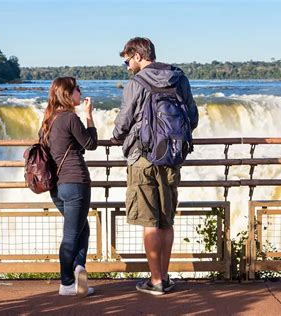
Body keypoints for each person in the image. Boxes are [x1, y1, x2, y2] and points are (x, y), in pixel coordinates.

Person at [112, 37, 199, 295]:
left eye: (127, 60)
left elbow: (124, 121)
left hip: (143, 157)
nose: (127, 66)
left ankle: (156, 280)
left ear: (138, 55)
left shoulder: (136, 83)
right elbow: (192, 117)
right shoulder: (179, 78)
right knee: (166, 219)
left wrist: (116, 138)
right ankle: (166, 275)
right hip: (172, 156)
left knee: (150, 220)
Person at [40, 77, 98, 297]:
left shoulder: (48, 120)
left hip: (56, 187)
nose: (80, 93)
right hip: (76, 182)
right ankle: (66, 282)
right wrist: (89, 115)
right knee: (72, 234)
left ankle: (78, 270)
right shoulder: (70, 118)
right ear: (67, 93)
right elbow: (91, 144)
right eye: (77, 89)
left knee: (82, 229)